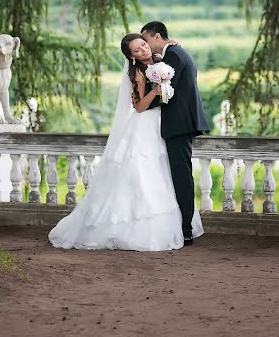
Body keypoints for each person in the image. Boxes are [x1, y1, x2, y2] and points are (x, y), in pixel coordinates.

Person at [48, 33, 204, 250]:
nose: (143, 50)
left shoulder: (161, 60)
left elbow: (168, 55)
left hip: (162, 124)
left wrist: (172, 44)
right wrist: (156, 92)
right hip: (145, 125)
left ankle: (174, 225)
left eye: (142, 44)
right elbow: (139, 106)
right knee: (141, 172)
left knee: (164, 172)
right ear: (132, 57)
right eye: (137, 50)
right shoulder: (139, 73)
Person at [141, 20, 211, 246]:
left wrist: (141, 105)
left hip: (179, 124)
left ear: (158, 36)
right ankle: (182, 226)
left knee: (182, 177)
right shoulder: (175, 53)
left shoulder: (174, 57)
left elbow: (165, 93)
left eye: (147, 39)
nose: (146, 44)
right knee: (179, 176)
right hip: (181, 124)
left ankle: (186, 230)